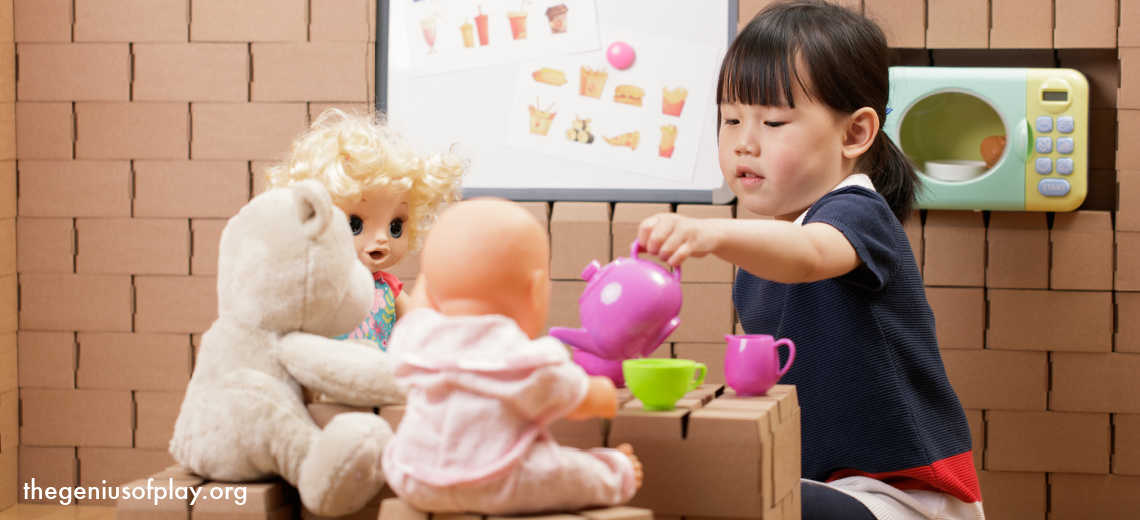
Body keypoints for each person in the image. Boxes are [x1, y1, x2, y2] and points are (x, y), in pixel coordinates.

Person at [636, 2, 984, 519]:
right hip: (819, 485)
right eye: (730, 119)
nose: (743, 142)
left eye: (774, 121)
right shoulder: (767, 254)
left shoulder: (857, 213)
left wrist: (708, 231)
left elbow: (810, 255)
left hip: (900, 497)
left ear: (855, 134)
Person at [382, 198, 643, 515]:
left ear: (429, 289)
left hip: (412, 475)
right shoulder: (525, 360)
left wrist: (434, 281)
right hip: (496, 480)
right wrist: (601, 393)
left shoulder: (416, 340)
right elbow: (575, 400)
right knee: (568, 471)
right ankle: (617, 472)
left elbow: (421, 309)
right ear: (535, 291)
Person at [264, 109, 466, 350]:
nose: (382, 240)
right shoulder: (314, 287)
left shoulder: (387, 289)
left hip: (377, 381)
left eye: (395, 226)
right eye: (355, 225)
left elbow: (420, 325)